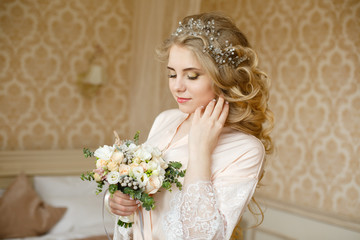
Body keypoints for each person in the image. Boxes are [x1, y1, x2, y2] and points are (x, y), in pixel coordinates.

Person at [107, 12, 274, 240]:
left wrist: (200, 151)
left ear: (222, 78)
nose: (177, 86)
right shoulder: (165, 119)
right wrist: (117, 200)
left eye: (192, 76)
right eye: (172, 74)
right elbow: (142, 202)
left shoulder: (246, 149)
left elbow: (202, 236)